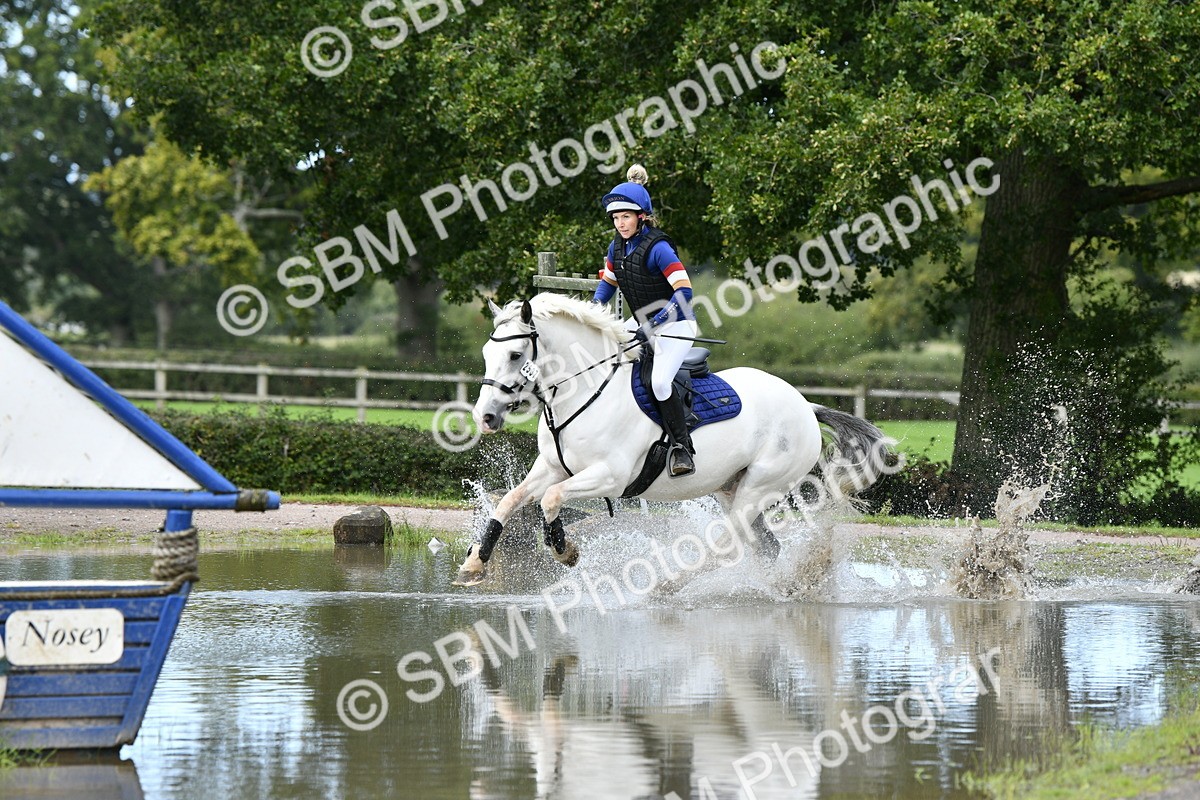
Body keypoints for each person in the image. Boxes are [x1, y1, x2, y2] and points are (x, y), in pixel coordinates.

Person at [593, 164, 699, 477]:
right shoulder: (617, 247)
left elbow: (685, 292)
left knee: (660, 382)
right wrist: (590, 315)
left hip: (676, 325)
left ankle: (683, 447)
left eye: (625, 216)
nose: (620, 223)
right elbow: (606, 288)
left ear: (642, 216)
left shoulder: (659, 248)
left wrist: (654, 325)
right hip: (640, 324)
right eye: (615, 218)